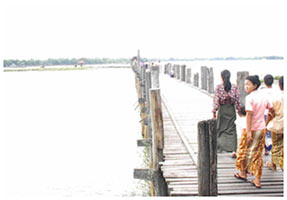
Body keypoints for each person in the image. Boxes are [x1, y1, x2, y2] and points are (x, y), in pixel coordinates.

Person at [234, 75, 274, 189]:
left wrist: (249, 132)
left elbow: (249, 115)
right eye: (245, 84)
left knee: (243, 150)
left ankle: (242, 173)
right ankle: (257, 180)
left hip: (251, 128)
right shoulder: (264, 96)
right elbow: (272, 111)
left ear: (255, 85)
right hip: (261, 129)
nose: (246, 86)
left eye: (248, 84)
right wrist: (266, 124)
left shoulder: (249, 98)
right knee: (257, 154)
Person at [213, 70, 241, 158]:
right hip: (231, 109)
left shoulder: (219, 87)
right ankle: (233, 150)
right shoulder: (234, 87)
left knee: (220, 128)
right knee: (231, 129)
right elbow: (237, 100)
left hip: (222, 109)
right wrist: (239, 110)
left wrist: (214, 111)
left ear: (221, 77)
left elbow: (216, 100)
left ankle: (220, 148)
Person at [266, 76, 284, 171]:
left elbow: (270, 113)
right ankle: (274, 163)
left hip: (278, 125)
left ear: (280, 85)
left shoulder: (277, 97)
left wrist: (266, 125)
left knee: (276, 146)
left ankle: (277, 164)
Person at [261, 74, 275, 155]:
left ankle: (266, 149)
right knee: (271, 130)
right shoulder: (276, 91)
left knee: (264, 130)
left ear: (264, 82)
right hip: (273, 113)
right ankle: (271, 146)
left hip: (264, 112)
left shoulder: (261, 91)